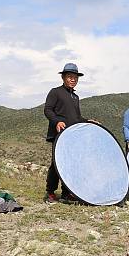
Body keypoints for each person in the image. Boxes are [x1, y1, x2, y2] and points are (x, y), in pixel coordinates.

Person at [43, 62, 90, 204]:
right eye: (70, 76)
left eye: (75, 77)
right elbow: (48, 110)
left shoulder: (75, 97)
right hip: (59, 134)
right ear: (63, 77)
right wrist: (57, 121)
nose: (73, 79)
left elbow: (77, 118)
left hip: (72, 136)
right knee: (56, 163)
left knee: (70, 164)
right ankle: (50, 192)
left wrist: (89, 121)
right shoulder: (55, 92)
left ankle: (66, 193)